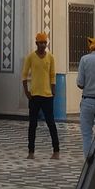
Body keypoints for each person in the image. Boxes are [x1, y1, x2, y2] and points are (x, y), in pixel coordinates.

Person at [22, 32, 60, 160]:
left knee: (51, 123)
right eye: (41, 43)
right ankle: (31, 151)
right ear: (36, 43)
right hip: (34, 96)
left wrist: (53, 90)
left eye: (45, 43)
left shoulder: (50, 58)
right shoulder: (31, 57)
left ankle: (56, 150)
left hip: (47, 96)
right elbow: (24, 75)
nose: (43, 45)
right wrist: (26, 92)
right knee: (32, 124)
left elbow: (52, 75)